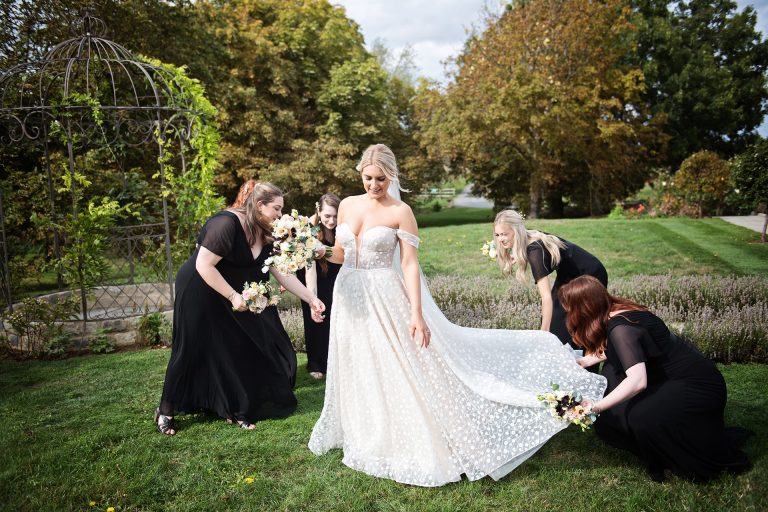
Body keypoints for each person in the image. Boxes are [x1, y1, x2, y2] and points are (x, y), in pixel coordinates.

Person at [308, 144, 606, 487]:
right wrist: (314, 250)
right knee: (359, 359)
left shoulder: (401, 211)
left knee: (398, 361)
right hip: (349, 293)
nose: (374, 185)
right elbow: (340, 254)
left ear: (392, 177)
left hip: (385, 295)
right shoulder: (347, 205)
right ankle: (364, 427)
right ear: (360, 173)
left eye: (381, 179)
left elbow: (409, 265)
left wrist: (417, 314)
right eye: (368, 178)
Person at [155, 182, 325, 435]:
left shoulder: (267, 232)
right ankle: (165, 410)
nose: (280, 215)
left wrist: (311, 298)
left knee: (233, 347)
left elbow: (281, 273)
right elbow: (204, 265)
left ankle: (233, 408)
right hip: (199, 289)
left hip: (228, 291)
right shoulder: (226, 224)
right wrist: (233, 296)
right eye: (276, 208)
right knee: (191, 348)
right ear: (260, 205)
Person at [558, 275, 752, 482]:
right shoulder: (617, 309)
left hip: (695, 383)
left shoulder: (621, 329)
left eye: (571, 309)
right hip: (673, 373)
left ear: (584, 309)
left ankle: (674, 454)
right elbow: (627, 349)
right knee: (612, 380)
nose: (569, 314)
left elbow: (637, 381)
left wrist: (595, 407)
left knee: (641, 416)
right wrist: (588, 360)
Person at [493, 210, 607, 347]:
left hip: (589, 275)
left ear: (516, 231)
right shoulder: (528, 236)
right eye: (497, 235)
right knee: (557, 321)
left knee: (576, 323)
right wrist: (517, 257)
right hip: (568, 275)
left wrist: (543, 334)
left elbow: (546, 297)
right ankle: (565, 353)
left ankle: (584, 357)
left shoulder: (534, 252)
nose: (500, 239)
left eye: (504, 234)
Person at [296, 193, 341, 380]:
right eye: (327, 216)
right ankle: (316, 363)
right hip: (312, 277)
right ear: (319, 211)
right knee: (316, 317)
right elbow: (310, 271)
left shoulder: (342, 229)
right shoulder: (307, 230)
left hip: (335, 277)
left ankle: (336, 360)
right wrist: (312, 298)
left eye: (336, 216)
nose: (331, 221)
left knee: (336, 318)